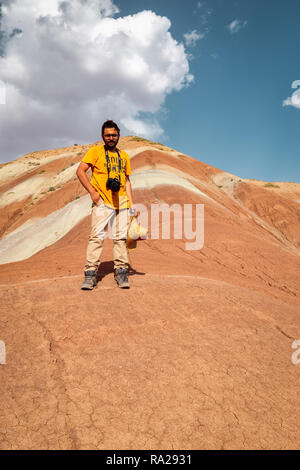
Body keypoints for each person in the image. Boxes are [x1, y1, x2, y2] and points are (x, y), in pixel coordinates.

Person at [76, 120, 137, 290]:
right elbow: (80, 171)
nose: (111, 138)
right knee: (97, 237)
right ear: (103, 136)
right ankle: (90, 274)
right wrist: (92, 193)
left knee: (120, 238)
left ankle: (121, 272)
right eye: (108, 135)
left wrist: (132, 203)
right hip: (102, 201)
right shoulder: (95, 152)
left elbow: (126, 180)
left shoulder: (123, 155)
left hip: (122, 202)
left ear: (118, 136)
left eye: (114, 135)